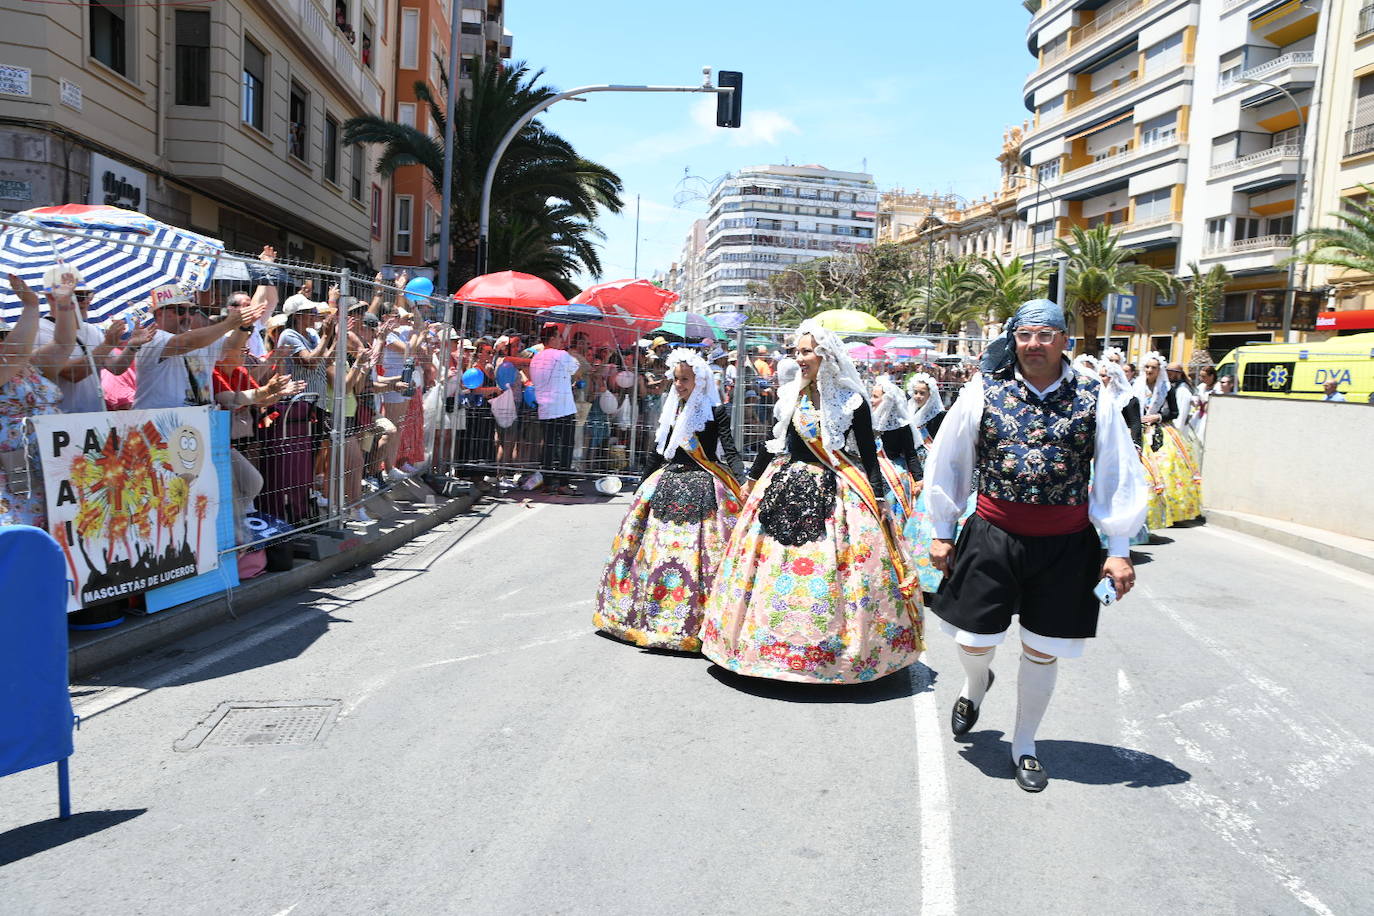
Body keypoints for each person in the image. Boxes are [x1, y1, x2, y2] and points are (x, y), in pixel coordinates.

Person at [925, 299, 1147, 793]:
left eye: (1045, 335)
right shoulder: (984, 389)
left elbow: (1115, 472)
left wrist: (1118, 547)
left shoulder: (1094, 396)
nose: (1034, 345)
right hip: (992, 533)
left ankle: (1024, 744)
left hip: (1067, 544)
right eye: (1025, 335)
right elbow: (951, 460)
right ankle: (977, 683)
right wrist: (942, 530)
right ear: (1014, 339)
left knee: (1042, 650)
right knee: (972, 639)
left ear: (1065, 340)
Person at [700, 319, 924, 684]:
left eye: (805, 351)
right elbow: (774, 443)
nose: (799, 358)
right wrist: (751, 480)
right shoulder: (791, 395)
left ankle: (834, 652)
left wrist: (880, 496)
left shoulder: (852, 399)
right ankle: (765, 646)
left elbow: (868, 455)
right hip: (786, 482)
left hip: (838, 490)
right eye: (796, 352)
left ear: (824, 354)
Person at [594, 349, 744, 651]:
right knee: (654, 554)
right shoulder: (671, 408)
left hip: (704, 482)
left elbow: (729, 449)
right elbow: (657, 450)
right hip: (666, 480)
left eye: (685, 379)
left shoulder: (715, 411)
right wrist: (641, 484)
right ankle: (649, 617)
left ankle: (698, 622)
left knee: (702, 555)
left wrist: (743, 482)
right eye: (676, 379)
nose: (679, 385)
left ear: (699, 381)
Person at [0, 271, 77, 527]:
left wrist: (63, 304)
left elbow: (64, 344)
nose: (2, 341)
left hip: (54, 452)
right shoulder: (10, 364)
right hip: (16, 460)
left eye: (3, 335)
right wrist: (31, 306)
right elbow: (16, 354)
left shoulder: (30, 365)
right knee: (28, 515)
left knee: (62, 518)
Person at [134, 287, 264, 410]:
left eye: (191, 311)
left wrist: (244, 326)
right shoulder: (151, 337)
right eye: (179, 311)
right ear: (159, 314)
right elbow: (187, 342)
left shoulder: (201, 337)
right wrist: (230, 323)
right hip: (157, 421)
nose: (187, 316)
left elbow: (233, 345)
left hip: (198, 420)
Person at [35, 278, 152, 414]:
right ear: (53, 299)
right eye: (78, 296)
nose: (86, 301)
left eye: (88, 295)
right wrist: (107, 345)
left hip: (94, 417)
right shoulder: (41, 330)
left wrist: (132, 346)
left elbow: (116, 367)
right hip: (62, 420)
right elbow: (72, 374)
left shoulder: (90, 329)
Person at [1136, 353, 1202, 528]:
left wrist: (1156, 416)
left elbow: (1174, 412)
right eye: (1147, 367)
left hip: (1160, 431)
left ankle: (1171, 510)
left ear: (1159, 370)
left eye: (1154, 368)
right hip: (1137, 432)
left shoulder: (1167, 388)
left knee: (1168, 467)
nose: (1150, 370)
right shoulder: (1135, 386)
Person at [528, 324, 583, 495]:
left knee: (549, 446)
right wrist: (571, 355)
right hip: (563, 407)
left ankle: (547, 482)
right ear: (551, 338)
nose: (561, 340)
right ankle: (563, 483)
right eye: (559, 336)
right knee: (566, 445)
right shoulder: (561, 355)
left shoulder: (536, 358)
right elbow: (577, 369)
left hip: (545, 407)